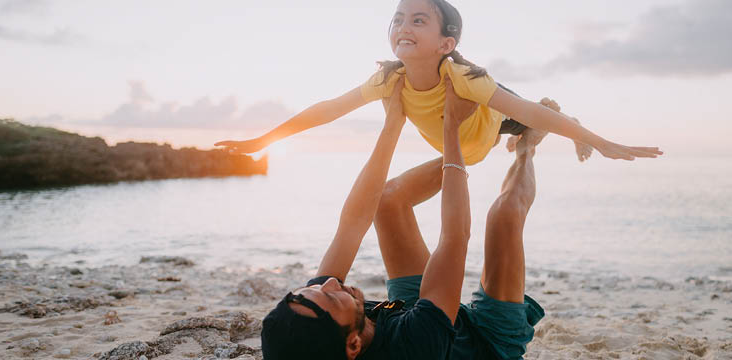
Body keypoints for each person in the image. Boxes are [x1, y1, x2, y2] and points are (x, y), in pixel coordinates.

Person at [262, 76, 543, 360]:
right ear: (354, 345)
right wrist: (452, 127)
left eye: (312, 289)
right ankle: (527, 148)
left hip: (409, 311)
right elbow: (454, 238)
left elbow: (352, 223)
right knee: (503, 216)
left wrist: (392, 123)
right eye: (332, 297)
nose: (329, 284)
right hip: (488, 344)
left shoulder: (312, 316)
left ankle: (481, 143)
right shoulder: (413, 348)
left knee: (386, 201)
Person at [216, 0, 662, 165]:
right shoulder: (388, 79)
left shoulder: (460, 74)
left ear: (446, 42)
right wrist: (264, 140)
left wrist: (601, 141)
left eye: (418, 19)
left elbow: (526, 111)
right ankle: (552, 127)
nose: (402, 25)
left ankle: (571, 125)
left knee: (523, 115)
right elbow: (327, 109)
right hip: (464, 147)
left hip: (483, 124)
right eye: (397, 18)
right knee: (514, 124)